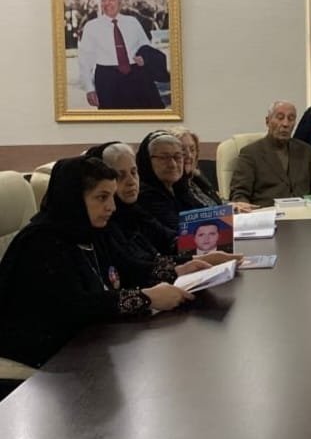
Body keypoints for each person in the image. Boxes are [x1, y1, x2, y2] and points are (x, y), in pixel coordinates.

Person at [0, 157, 199, 368]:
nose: (112, 207)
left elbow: (127, 267)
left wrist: (180, 268)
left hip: (90, 339)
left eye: (112, 196)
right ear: (73, 198)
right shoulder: (41, 242)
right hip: (46, 354)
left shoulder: (89, 229)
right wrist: (146, 298)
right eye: (102, 197)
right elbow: (74, 306)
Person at [87, 142, 241, 267]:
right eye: (120, 176)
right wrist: (194, 260)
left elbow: (169, 240)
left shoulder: (135, 211)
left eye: (133, 172)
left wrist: (210, 250)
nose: (131, 182)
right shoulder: (105, 221)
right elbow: (137, 268)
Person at [77, 0, 164, 109]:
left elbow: (146, 47)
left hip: (137, 76)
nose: (107, 3)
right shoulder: (91, 27)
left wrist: (144, 58)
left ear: (120, 1)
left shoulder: (132, 22)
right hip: (108, 80)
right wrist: (89, 88)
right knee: (113, 119)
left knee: (147, 114)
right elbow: (85, 60)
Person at [230, 101, 311, 208]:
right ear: (267, 121)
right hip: (268, 213)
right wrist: (243, 206)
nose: (285, 124)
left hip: (303, 213)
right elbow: (239, 193)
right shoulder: (251, 153)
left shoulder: (305, 150)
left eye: (291, 119)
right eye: (280, 118)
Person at [169, 127, 255, 212]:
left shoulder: (195, 178)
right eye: (182, 150)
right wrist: (225, 209)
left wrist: (230, 205)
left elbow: (215, 202)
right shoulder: (171, 186)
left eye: (192, 150)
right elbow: (198, 212)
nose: (189, 155)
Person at [136, 130, 202, 233]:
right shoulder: (145, 196)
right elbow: (181, 232)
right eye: (164, 158)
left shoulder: (181, 189)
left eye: (177, 157)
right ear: (148, 161)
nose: (173, 164)